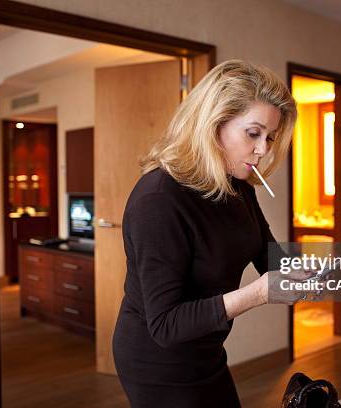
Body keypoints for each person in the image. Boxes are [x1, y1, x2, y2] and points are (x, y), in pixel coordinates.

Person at [112, 59, 298, 407]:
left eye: (270, 137)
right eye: (253, 133)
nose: (264, 150)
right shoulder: (159, 200)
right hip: (157, 360)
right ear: (214, 124)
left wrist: (304, 273)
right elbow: (165, 324)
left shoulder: (238, 186)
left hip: (206, 348)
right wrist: (257, 295)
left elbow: (268, 255)